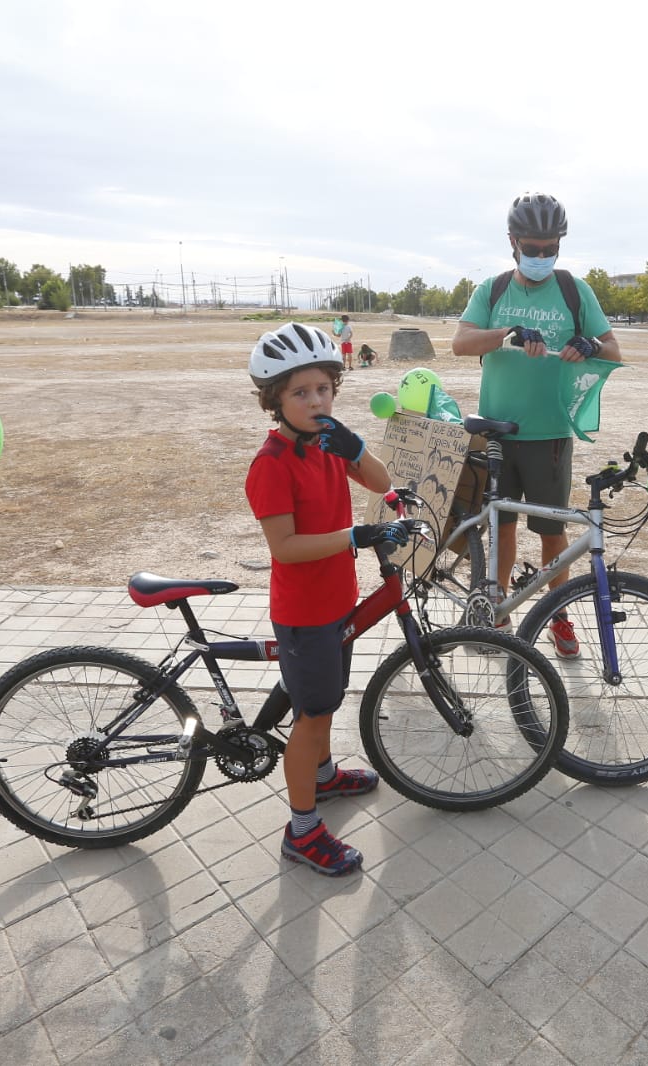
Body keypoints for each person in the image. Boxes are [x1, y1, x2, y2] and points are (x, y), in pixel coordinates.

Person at [245, 322, 412, 875]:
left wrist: (354, 446)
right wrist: (355, 536)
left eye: (323, 388)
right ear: (275, 400)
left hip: (337, 598)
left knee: (326, 702)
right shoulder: (271, 465)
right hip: (305, 612)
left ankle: (323, 776)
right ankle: (302, 831)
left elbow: (381, 481)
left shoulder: (325, 445)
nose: (316, 401)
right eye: (301, 392)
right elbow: (285, 547)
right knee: (313, 717)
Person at [450, 192, 621, 659]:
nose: (542, 256)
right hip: (498, 434)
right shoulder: (493, 289)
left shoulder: (574, 290)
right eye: (533, 248)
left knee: (552, 532)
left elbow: (613, 350)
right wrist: (506, 333)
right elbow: (460, 343)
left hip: (550, 436)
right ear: (513, 242)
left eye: (551, 248)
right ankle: (498, 611)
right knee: (502, 527)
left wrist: (590, 345)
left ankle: (557, 616)